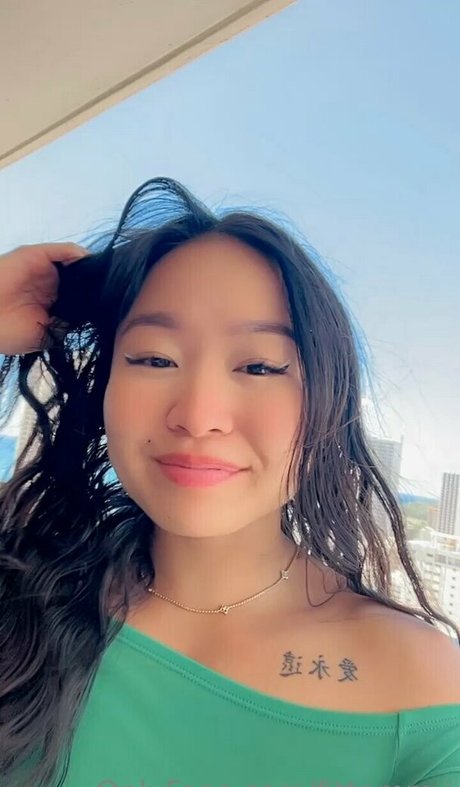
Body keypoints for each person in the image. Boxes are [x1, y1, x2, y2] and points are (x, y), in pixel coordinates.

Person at [0, 177, 459, 787]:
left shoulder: (420, 683)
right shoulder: (24, 591)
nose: (198, 415)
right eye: (155, 359)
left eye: (259, 366)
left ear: (329, 402)